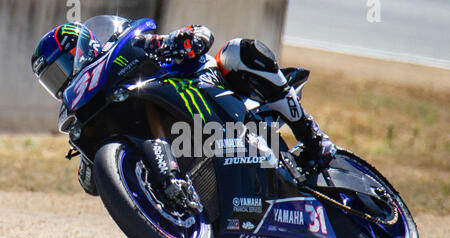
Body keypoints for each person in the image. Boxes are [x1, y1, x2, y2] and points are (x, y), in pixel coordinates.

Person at [31, 21, 336, 196]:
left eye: (61, 67)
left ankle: (312, 136)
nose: (61, 80)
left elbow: (200, 34)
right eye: (51, 79)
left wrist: (183, 40)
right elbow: (93, 185)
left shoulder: (122, 50)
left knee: (238, 50)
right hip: (186, 137)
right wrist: (90, 160)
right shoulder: (90, 110)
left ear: (83, 47)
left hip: (207, 87)